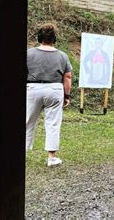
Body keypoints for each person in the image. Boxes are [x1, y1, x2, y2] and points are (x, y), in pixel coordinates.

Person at [26, 23, 72, 167]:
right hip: (54, 89)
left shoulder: (28, 53)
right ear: (54, 39)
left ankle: (21, 153)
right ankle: (52, 158)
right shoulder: (62, 56)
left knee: (27, 121)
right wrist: (67, 96)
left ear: (39, 37)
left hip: (33, 88)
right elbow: (67, 77)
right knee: (53, 123)